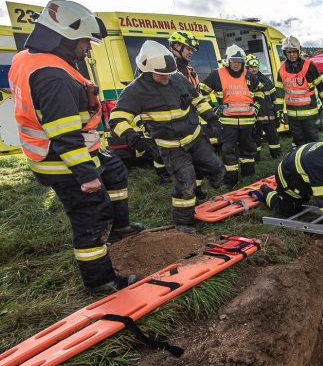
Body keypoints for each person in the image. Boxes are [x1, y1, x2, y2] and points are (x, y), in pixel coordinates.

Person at [8, 0, 142, 294]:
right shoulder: (54, 77)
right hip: (62, 159)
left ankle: (120, 228)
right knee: (91, 217)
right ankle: (101, 281)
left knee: (116, 172)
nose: (89, 48)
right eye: (85, 41)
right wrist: (86, 175)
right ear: (65, 37)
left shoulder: (28, 59)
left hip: (70, 149)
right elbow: (64, 135)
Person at [110, 41, 225, 234]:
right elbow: (116, 119)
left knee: (216, 169)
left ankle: (206, 187)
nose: (166, 78)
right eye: (162, 74)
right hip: (171, 148)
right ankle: (183, 224)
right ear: (146, 70)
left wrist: (211, 117)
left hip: (195, 138)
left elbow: (196, 98)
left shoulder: (178, 78)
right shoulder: (135, 91)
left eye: (169, 73)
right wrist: (136, 140)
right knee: (185, 182)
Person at [251, 128, 323, 226]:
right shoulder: (322, 164)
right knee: (290, 209)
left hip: (305, 172)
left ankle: (304, 193)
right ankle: (266, 192)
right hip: (288, 177)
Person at [200, 45, 264, 188]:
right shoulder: (218, 74)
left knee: (248, 149)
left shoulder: (248, 75)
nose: (236, 64)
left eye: (239, 61)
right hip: (227, 123)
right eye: (234, 61)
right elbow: (201, 92)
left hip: (248, 121)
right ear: (228, 61)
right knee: (229, 151)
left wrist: (256, 107)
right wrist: (212, 108)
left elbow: (260, 90)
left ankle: (248, 176)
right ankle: (231, 180)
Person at [168, 30, 211, 198]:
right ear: (176, 46)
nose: (191, 52)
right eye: (188, 48)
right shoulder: (162, 70)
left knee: (200, 160)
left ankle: (198, 189)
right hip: (175, 127)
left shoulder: (191, 71)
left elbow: (197, 97)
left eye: (192, 49)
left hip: (193, 124)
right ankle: (186, 194)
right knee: (184, 166)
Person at [274, 35, 323, 146]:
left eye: (294, 51)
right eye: (289, 52)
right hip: (292, 115)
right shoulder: (281, 69)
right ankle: (299, 161)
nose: (291, 54)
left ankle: (314, 161)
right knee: (298, 141)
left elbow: (321, 86)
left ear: (298, 51)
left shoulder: (309, 66)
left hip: (309, 114)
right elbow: (279, 93)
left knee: (312, 140)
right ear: (285, 53)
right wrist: (278, 110)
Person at [247, 54, 282, 160]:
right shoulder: (245, 81)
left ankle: (277, 157)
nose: (254, 69)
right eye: (251, 67)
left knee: (274, 138)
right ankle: (256, 159)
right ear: (247, 68)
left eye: (256, 66)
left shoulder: (266, 80)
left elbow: (275, 98)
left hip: (269, 116)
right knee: (255, 140)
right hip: (255, 118)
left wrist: (278, 112)